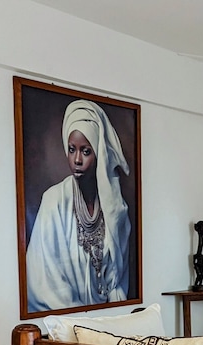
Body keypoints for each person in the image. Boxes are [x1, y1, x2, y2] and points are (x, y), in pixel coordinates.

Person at [25, 99, 132, 312]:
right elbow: (46, 280)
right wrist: (82, 319)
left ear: (99, 153)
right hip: (67, 319)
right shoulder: (54, 201)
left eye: (86, 151)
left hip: (109, 318)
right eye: (72, 149)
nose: (77, 160)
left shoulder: (115, 208)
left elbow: (117, 280)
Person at [192, 221, 203, 292]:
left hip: (201, 263)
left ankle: (200, 283)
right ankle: (196, 283)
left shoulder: (200, 256)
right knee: (199, 275)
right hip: (198, 263)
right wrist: (195, 263)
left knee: (202, 274)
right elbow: (200, 245)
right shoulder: (197, 256)